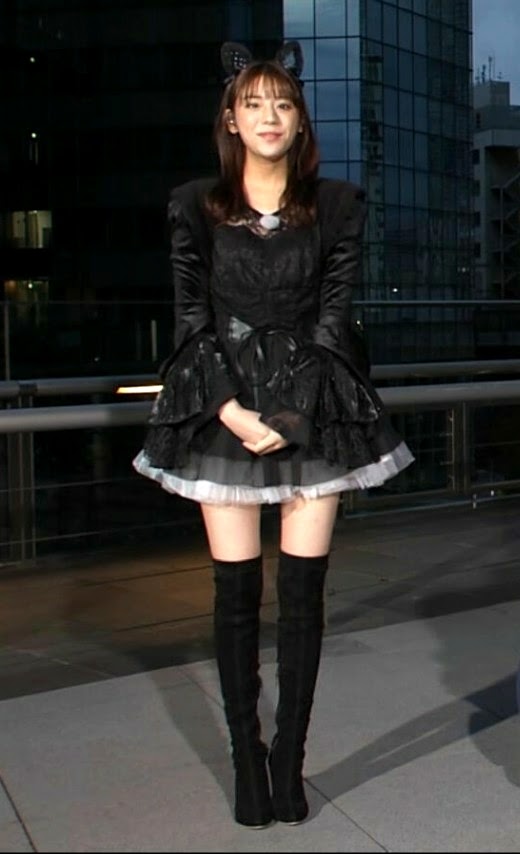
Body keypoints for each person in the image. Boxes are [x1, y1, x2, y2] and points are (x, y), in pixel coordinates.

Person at [133, 40, 414, 828]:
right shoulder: (195, 204)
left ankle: (288, 765)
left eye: (283, 103)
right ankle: (246, 766)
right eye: (253, 103)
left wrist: (292, 415)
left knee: (302, 601)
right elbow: (191, 319)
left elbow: (333, 319)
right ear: (230, 118)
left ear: (299, 121)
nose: (269, 116)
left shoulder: (338, 205)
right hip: (221, 412)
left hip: (313, 410)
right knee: (234, 601)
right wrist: (228, 408)